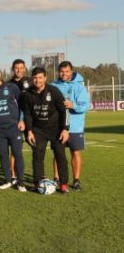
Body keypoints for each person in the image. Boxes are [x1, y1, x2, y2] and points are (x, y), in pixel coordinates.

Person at [21, 67, 70, 193]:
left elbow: (64, 110)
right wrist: (29, 131)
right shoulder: (27, 94)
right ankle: (38, 183)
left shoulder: (54, 91)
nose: (37, 80)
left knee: (60, 155)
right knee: (37, 156)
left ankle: (64, 184)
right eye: (35, 78)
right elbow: (27, 114)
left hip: (56, 129)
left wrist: (65, 129)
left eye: (40, 77)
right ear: (32, 78)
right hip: (38, 130)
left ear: (45, 78)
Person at [0, 67, 26, 192]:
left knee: (17, 154)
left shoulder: (12, 87)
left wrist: (22, 120)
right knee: (3, 155)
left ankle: (21, 182)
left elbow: (22, 104)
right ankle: (8, 180)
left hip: (14, 128)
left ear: (0, 75)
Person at [52, 61, 90, 190]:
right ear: (58, 72)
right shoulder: (53, 86)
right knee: (58, 153)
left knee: (75, 153)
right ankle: (56, 179)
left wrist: (73, 105)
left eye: (67, 71)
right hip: (58, 126)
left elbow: (86, 105)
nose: (64, 74)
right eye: (62, 71)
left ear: (71, 71)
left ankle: (76, 180)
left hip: (75, 127)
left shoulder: (79, 87)